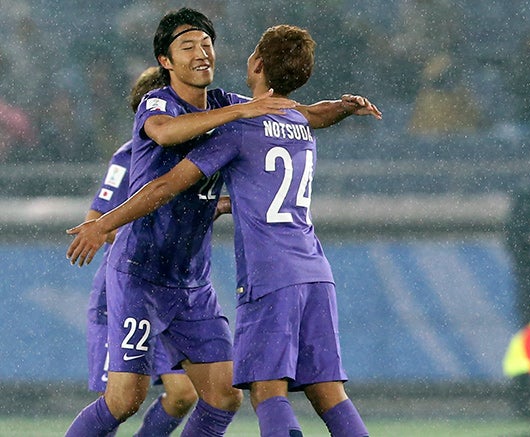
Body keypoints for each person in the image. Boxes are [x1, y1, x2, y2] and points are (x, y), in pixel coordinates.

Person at [64, 8, 377, 436]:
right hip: (140, 274)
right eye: (187, 47)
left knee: (223, 396)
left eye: (207, 44)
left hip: (192, 282)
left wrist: (340, 108)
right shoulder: (162, 102)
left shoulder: (232, 107)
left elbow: (296, 111)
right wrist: (101, 225)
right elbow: (165, 136)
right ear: (165, 61)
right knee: (124, 400)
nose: (201, 53)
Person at [83, 66, 199, 437]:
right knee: (117, 402)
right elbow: (96, 221)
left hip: (167, 293)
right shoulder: (129, 157)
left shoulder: (191, 156)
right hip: (124, 294)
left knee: (183, 393)